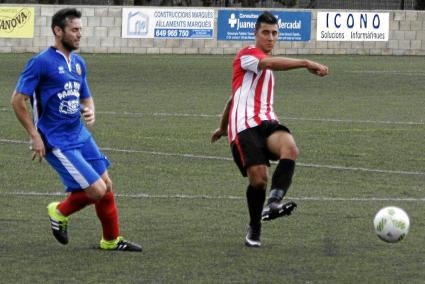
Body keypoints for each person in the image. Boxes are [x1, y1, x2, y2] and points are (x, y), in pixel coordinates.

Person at [11, 8, 141, 252]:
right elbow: (17, 100)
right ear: (58, 31)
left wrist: (90, 110)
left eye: (80, 30)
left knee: (107, 185)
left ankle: (111, 240)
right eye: (74, 30)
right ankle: (59, 211)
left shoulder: (79, 64)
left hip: (79, 134)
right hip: (56, 139)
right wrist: (34, 135)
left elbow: (86, 98)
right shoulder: (40, 62)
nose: (79, 35)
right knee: (97, 190)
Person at [211, 11, 329, 248]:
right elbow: (266, 64)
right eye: (265, 32)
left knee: (290, 148)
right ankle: (255, 226)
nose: (270, 38)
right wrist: (306, 62)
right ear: (255, 34)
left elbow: (231, 99)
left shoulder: (265, 71)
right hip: (244, 127)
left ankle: (274, 202)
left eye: (274, 33)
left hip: (267, 122)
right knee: (258, 180)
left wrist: (221, 126)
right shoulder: (247, 55)